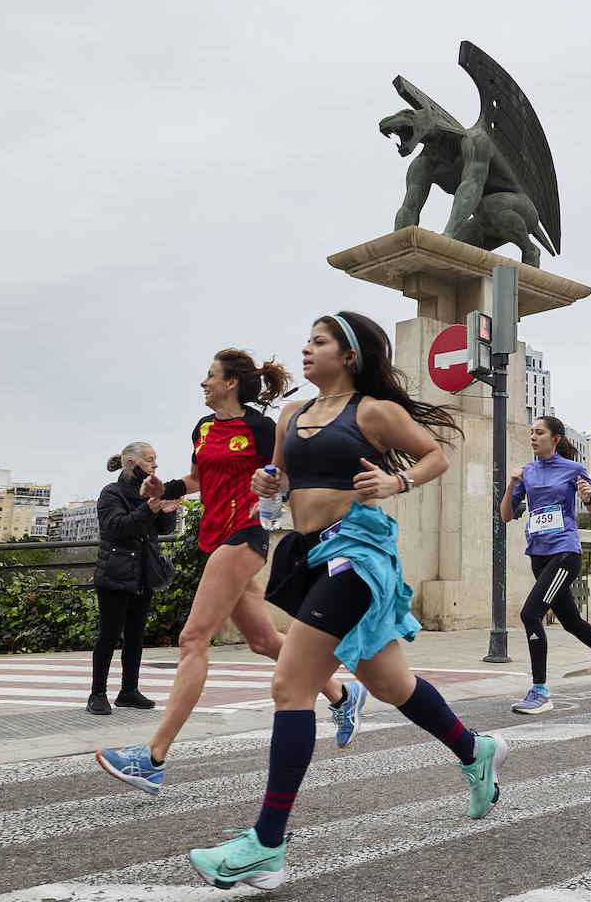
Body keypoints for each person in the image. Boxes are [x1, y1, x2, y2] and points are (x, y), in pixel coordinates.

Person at [187, 311, 506, 889]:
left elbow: (435, 456)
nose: (306, 350)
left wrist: (397, 482)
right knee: (389, 683)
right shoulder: (293, 414)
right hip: (311, 556)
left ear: (349, 355)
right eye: (307, 341)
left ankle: (266, 844)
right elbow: (280, 485)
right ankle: (474, 749)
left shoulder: (373, 412)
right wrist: (269, 487)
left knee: (290, 686)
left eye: (319, 342)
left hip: (357, 555)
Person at [98, 350, 357, 795]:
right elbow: (198, 480)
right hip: (215, 537)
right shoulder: (202, 428)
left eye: (210, 375)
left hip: (246, 534)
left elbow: (286, 476)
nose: (203, 383)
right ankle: (342, 696)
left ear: (231, 382)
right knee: (263, 640)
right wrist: (165, 487)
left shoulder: (261, 428)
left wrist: (278, 496)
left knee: (193, 639)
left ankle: (153, 758)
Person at [502, 415, 591, 714]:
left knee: (530, 613)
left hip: (565, 551)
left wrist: (587, 497)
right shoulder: (527, 472)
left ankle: (540, 691)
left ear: (555, 439)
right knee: (571, 622)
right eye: (531, 432)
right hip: (538, 554)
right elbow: (506, 515)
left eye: (539, 433)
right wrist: (511, 485)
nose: (533, 437)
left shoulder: (573, 469)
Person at [88, 443, 181, 715]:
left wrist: (168, 512)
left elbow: (160, 530)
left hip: (142, 573)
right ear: (132, 464)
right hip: (114, 572)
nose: (155, 465)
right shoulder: (111, 493)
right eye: (149, 460)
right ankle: (97, 694)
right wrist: (148, 509)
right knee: (109, 635)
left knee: (135, 636)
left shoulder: (149, 493)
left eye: (155, 459)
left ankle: (128, 691)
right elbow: (118, 526)